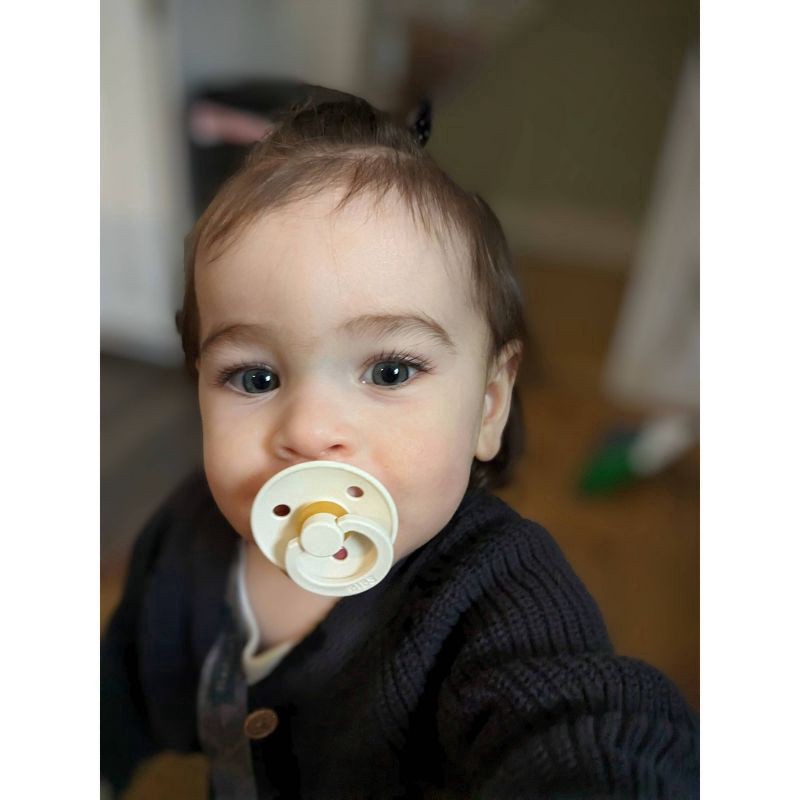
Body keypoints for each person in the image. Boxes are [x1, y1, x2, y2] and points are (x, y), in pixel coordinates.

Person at [101, 91, 699, 799]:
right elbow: (115, 698)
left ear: (488, 405)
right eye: (255, 377)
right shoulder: (186, 537)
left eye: (389, 371)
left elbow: (584, 726)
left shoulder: (497, 593)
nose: (309, 431)